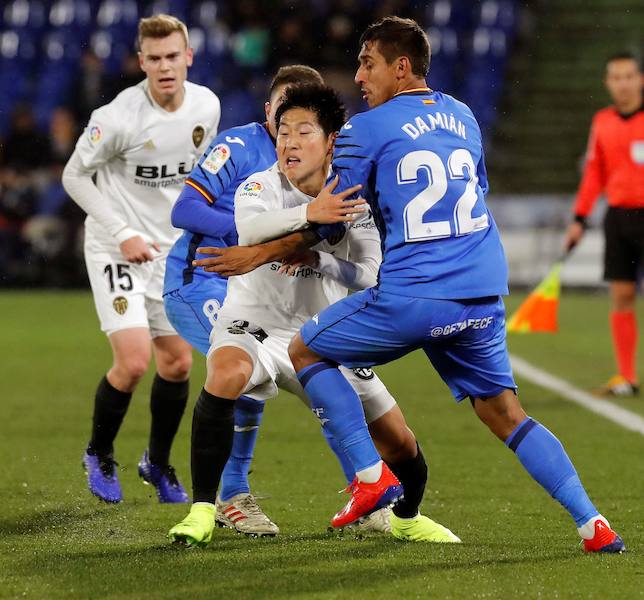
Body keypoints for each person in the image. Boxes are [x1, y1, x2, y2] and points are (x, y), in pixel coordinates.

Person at [200, 16, 624, 554]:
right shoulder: (464, 116)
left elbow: (330, 220)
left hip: (414, 294)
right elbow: (475, 191)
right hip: (481, 294)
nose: (358, 76)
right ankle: (592, 524)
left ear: (401, 67)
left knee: (305, 347)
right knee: (506, 414)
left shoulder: (364, 129)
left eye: (367, 63)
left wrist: (258, 251)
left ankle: (370, 477)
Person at [164, 68, 452, 542]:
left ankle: (405, 517)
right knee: (225, 375)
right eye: (283, 131)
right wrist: (309, 215)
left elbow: (368, 274)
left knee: (397, 438)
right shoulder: (259, 185)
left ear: (330, 141)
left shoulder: (354, 198)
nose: (289, 142)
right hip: (250, 323)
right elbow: (252, 232)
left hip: (319, 337)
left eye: (303, 132)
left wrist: (319, 256)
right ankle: (202, 509)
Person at [62, 15, 220, 505]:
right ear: (141, 62)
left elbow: (201, 180)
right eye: (154, 59)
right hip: (118, 247)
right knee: (133, 363)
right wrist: (123, 232)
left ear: (188, 57)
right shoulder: (117, 118)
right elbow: (74, 176)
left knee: (176, 365)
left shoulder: (206, 106)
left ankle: (157, 462)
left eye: (173, 56)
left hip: (170, 252)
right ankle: (100, 452)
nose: (165, 66)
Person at [563, 52, 644, 398]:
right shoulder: (603, 121)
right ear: (607, 83)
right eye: (616, 77)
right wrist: (579, 218)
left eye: (628, 76)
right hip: (619, 219)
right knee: (622, 296)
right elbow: (594, 173)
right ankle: (626, 377)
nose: (623, 83)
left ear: (640, 79)